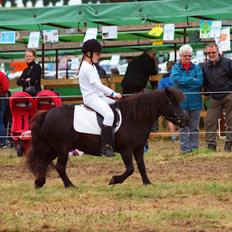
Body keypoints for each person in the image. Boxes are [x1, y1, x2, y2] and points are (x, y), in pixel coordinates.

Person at [78, 39, 122, 157]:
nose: (99, 56)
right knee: (109, 115)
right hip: (91, 98)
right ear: (88, 54)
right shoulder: (86, 67)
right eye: (97, 54)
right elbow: (97, 85)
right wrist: (113, 94)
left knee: (118, 105)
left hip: (98, 96)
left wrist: (113, 97)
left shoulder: (91, 66)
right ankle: (105, 147)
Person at [170, 44, 203, 153]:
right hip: (181, 103)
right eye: (185, 56)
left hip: (196, 102)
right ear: (180, 56)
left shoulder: (197, 67)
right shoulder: (175, 68)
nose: (187, 58)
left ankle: (194, 148)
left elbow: (199, 82)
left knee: (194, 127)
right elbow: (176, 81)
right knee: (183, 127)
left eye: (189, 55)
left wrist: (186, 81)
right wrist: (192, 79)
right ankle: (185, 149)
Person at [203, 43, 232, 152]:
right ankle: (211, 146)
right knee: (210, 120)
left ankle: (228, 146)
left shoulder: (228, 63)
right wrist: (207, 93)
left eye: (213, 52)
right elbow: (205, 82)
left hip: (229, 94)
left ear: (218, 51)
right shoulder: (205, 66)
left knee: (231, 120)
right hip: (214, 96)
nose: (211, 54)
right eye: (209, 53)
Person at [158, 61, 177, 141]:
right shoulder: (177, 77)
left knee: (171, 119)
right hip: (179, 99)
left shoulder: (163, 79)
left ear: (167, 68)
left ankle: (173, 136)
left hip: (168, 100)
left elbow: (159, 91)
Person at [0, 71, 9, 147]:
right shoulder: (1, 74)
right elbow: (6, 87)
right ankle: (2, 142)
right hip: (0, 98)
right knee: (0, 122)